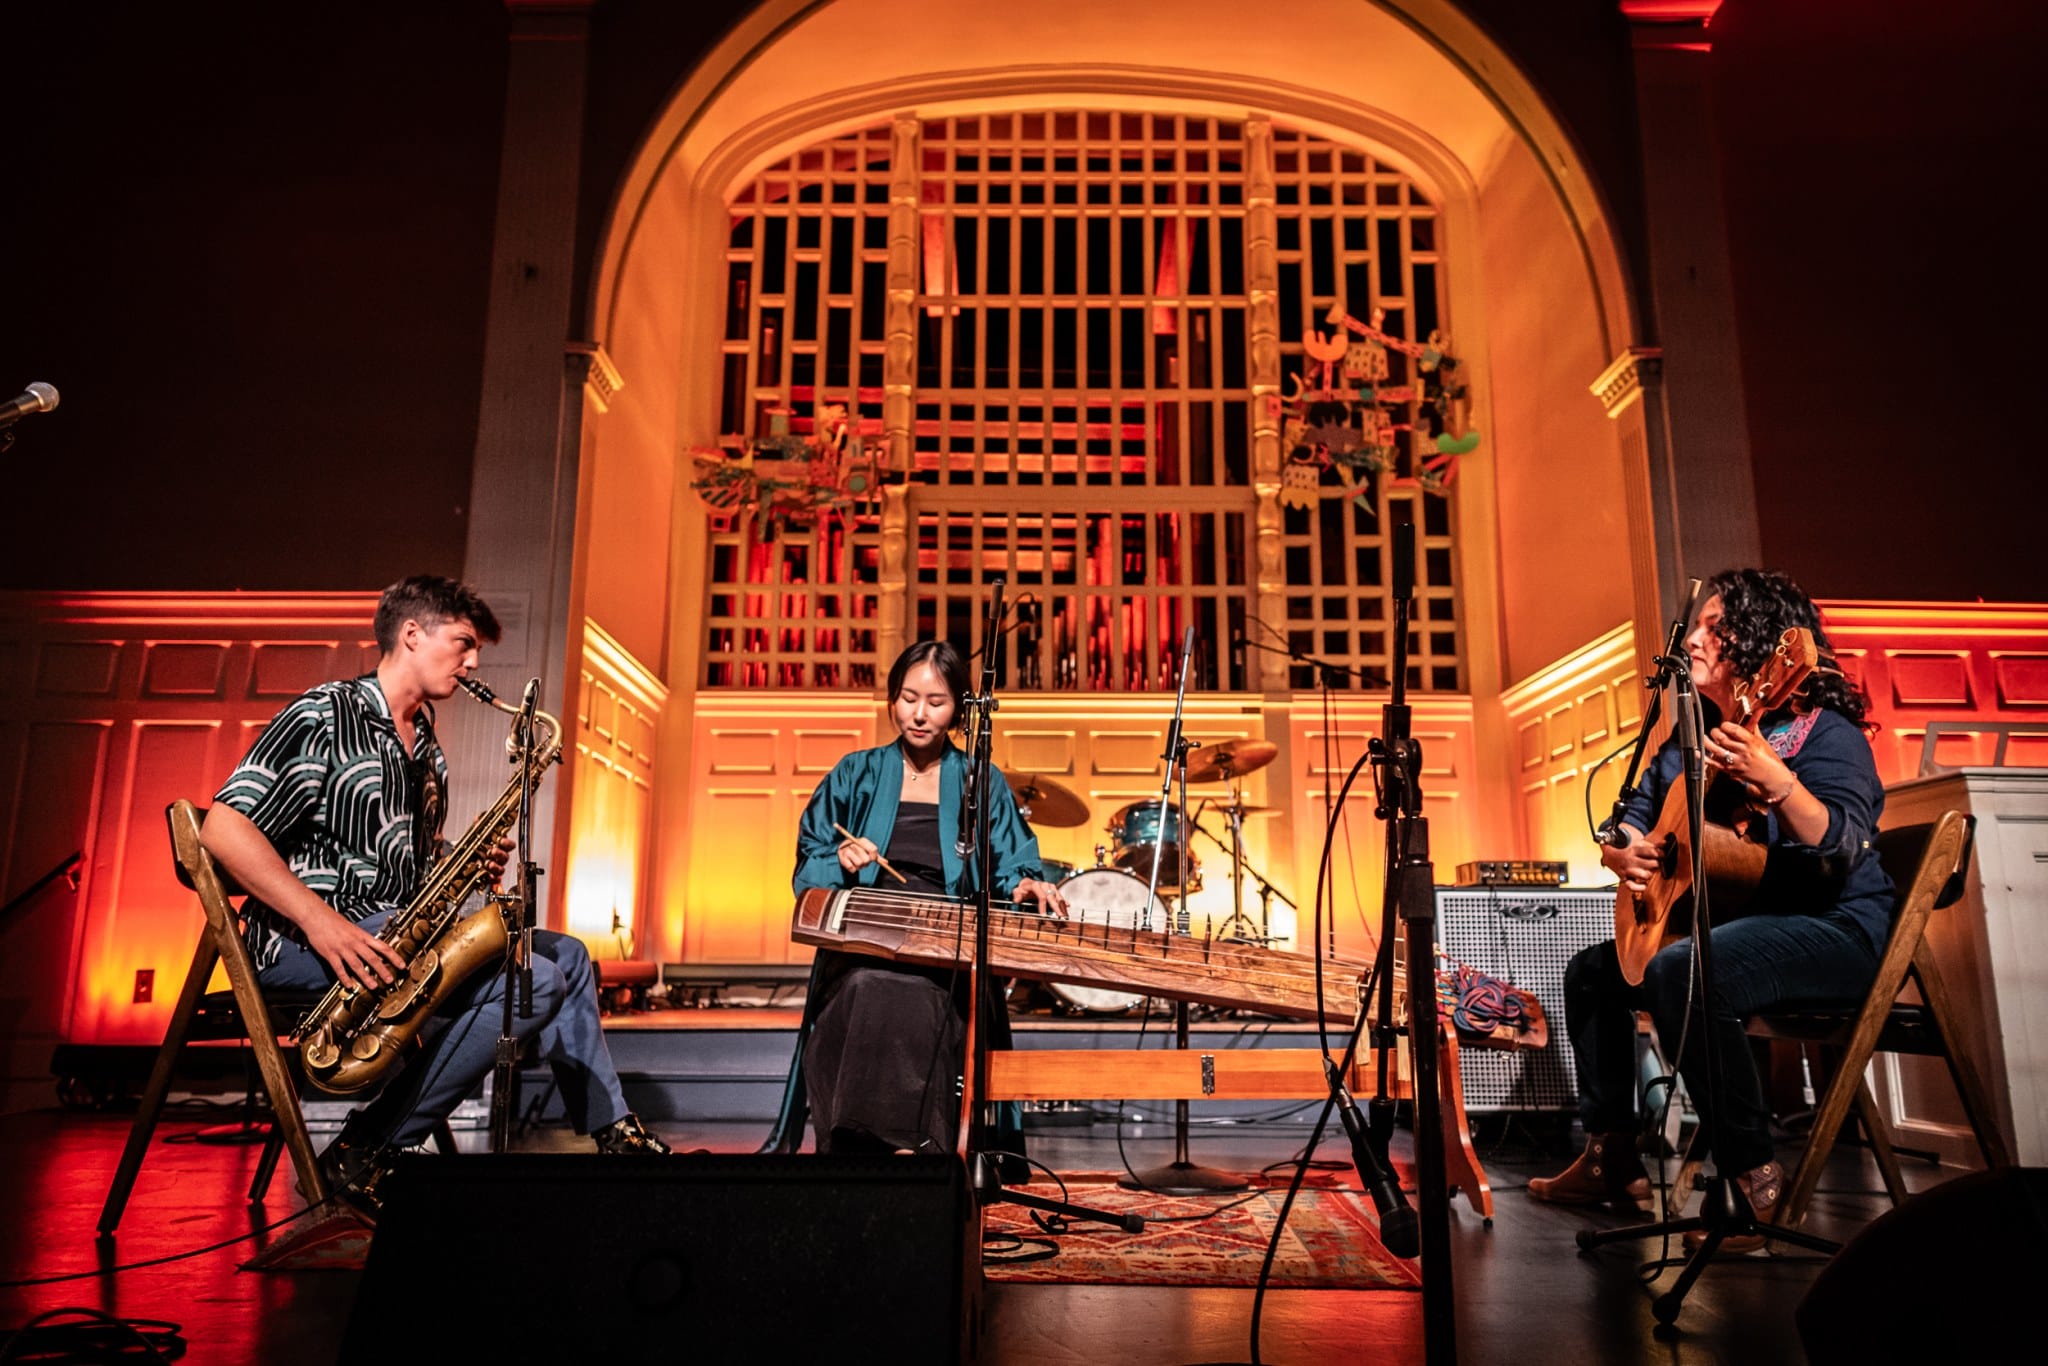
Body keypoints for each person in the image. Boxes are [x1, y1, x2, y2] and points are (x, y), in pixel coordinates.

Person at [201, 575, 670, 1215]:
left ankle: (612, 1132)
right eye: (463, 643)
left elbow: (409, 869)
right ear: (412, 634)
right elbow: (224, 829)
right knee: (531, 983)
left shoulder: (426, 746)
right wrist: (322, 922)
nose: (473, 662)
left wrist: (463, 863)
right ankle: (371, 1146)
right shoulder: (324, 713)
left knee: (566, 956)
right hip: (307, 942)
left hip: (390, 936)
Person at [1529, 568, 1894, 1253]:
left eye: (1713, 627)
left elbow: (1843, 846)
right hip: (1746, 925)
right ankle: (1611, 1155)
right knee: (1593, 973)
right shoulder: (1692, 738)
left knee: (1683, 971)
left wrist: (1779, 782)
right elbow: (1635, 814)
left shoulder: (1824, 732)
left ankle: (1753, 1180)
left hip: (1836, 928)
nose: (1693, 639)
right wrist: (1625, 850)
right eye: (1696, 626)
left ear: (1759, 641)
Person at [792, 640, 1068, 1155]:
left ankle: (918, 1151)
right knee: (866, 987)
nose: (919, 714)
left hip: (947, 946)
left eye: (936, 702)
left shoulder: (979, 781)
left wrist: (1024, 883)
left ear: (959, 709)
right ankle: (859, 1147)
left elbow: (1012, 863)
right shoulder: (856, 772)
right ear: (892, 700)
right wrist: (840, 860)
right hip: (866, 939)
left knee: (921, 998)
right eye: (908, 698)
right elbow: (811, 858)